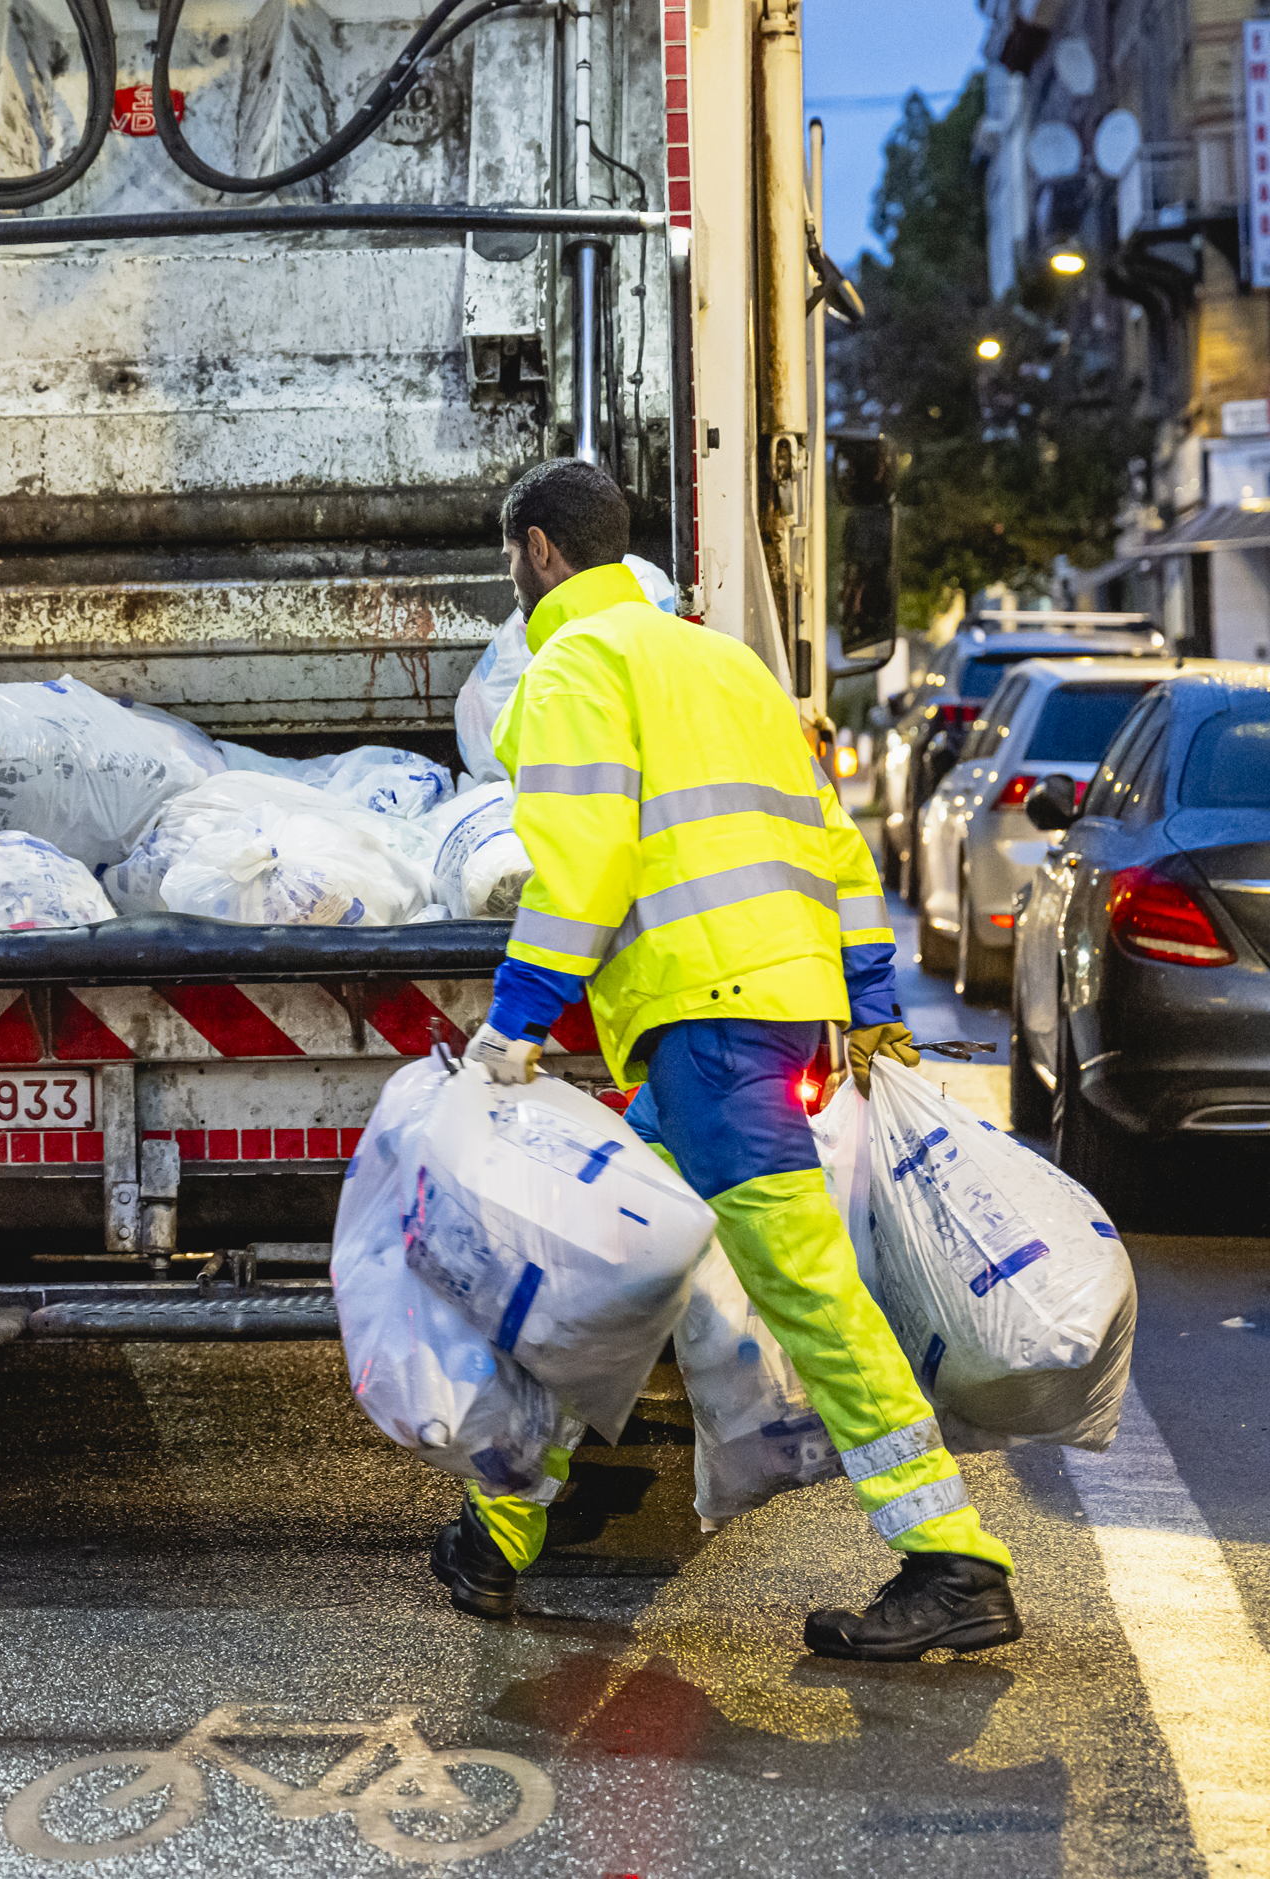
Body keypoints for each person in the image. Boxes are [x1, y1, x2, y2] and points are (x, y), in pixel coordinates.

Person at [436, 458, 1021, 1663]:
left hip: (698, 1024)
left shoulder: (571, 669)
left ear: (538, 550)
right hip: (771, 1013)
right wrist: (864, 999)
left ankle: (952, 1557)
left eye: (510, 559)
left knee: (801, 1288)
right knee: (595, 1265)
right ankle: (495, 1534)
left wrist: (516, 1022)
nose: (513, 577)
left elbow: (581, 867)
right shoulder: (724, 660)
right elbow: (833, 845)